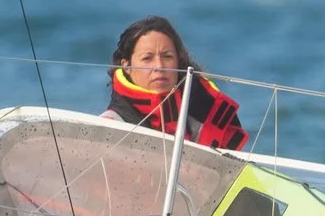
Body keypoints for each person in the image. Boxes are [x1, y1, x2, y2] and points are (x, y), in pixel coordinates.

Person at [103, 15, 248, 151]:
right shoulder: (109, 126)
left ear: (178, 61)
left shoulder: (207, 109)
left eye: (167, 56)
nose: (159, 66)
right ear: (127, 67)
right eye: (147, 58)